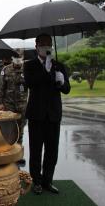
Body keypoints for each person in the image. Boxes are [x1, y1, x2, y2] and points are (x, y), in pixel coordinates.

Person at [24, 34, 70, 195]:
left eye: (49, 44)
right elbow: (30, 83)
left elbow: (66, 90)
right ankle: (36, 181)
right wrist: (46, 70)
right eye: (43, 44)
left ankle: (47, 181)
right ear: (36, 46)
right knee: (36, 150)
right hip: (36, 114)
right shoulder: (29, 65)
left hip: (53, 114)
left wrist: (61, 81)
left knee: (52, 151)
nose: (46, 47)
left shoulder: (59, 66)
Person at [0, 50, 28, 165]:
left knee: (20, 131)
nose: (18, 59)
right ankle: (7, 153)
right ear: (12, 58)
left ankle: (18, 155)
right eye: (16, 57)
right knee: (8, 131)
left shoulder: (27, 69)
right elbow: (0, 89)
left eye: (20, 57)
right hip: (8, 106)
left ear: (23, 57)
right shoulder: (6, 70)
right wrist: (0, 103)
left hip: (22, 106)